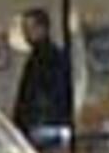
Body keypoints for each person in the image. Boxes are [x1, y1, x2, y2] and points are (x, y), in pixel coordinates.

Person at [11, 8, 73, 140]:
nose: (25, 34)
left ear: (42, 29)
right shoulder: (35, 57)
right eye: (24, 29)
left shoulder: (50, 57)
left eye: (29, 28)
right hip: (38, 124)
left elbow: (51, 92)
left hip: (45, 124)